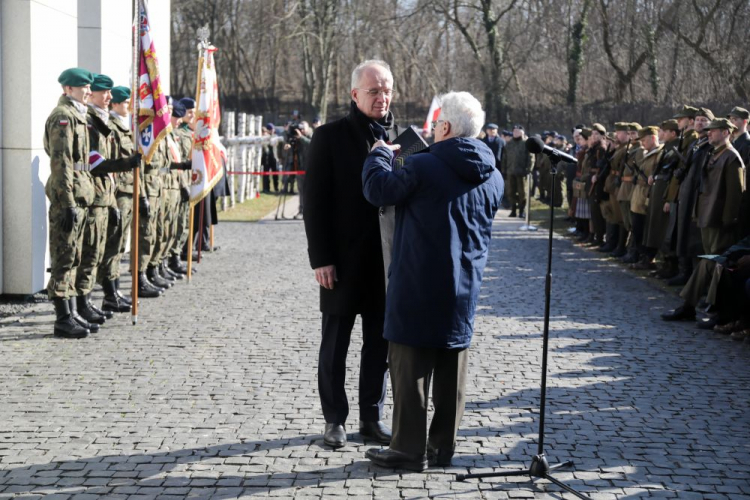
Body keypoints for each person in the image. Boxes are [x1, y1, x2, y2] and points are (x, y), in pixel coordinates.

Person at [361, 91, 503, 471]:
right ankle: (442, 448)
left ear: (444, 127)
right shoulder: (494, 176)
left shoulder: (422, 165)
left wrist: (379, 153)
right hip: (464, 286)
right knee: (451, 371)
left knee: (410, 371)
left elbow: (378, 190)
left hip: (418, 282)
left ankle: (408, 449)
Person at [303, 60, 397, 449]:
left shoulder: (403, 138)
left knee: (379, 345)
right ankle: (334, 419)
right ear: (355, 94)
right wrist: (320, 257)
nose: (382, 97)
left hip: (386, 262)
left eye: (387, 89)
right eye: (373, 90)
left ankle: (370, 418)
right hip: (341, 261)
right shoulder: (329, 137)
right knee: (336, 344)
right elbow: (314, 202)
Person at [44, 68, 97, 338]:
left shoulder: (78, 115)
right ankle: (62, 319)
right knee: (64, 256)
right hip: (69, 196)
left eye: (88, 86)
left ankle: (73, 311)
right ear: (68, 89)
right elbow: (61, 162)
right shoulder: (63, 117)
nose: (88, 90)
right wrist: (66, 203)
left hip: (79, 194)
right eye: (82, 87)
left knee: (75, 255)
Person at [500, 124, 533, 218]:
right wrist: (504, 170)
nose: (515, 132)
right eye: (514, 131)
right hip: (510, 172)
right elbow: (504, 158)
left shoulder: (526, 143)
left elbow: (531, 158)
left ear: (522, 132)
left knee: (523, 193)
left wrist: (528, 170)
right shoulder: (509, 144)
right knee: (511, 192)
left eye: (518, 131)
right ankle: (513, 210)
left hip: (522, 172)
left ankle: (522, 211)